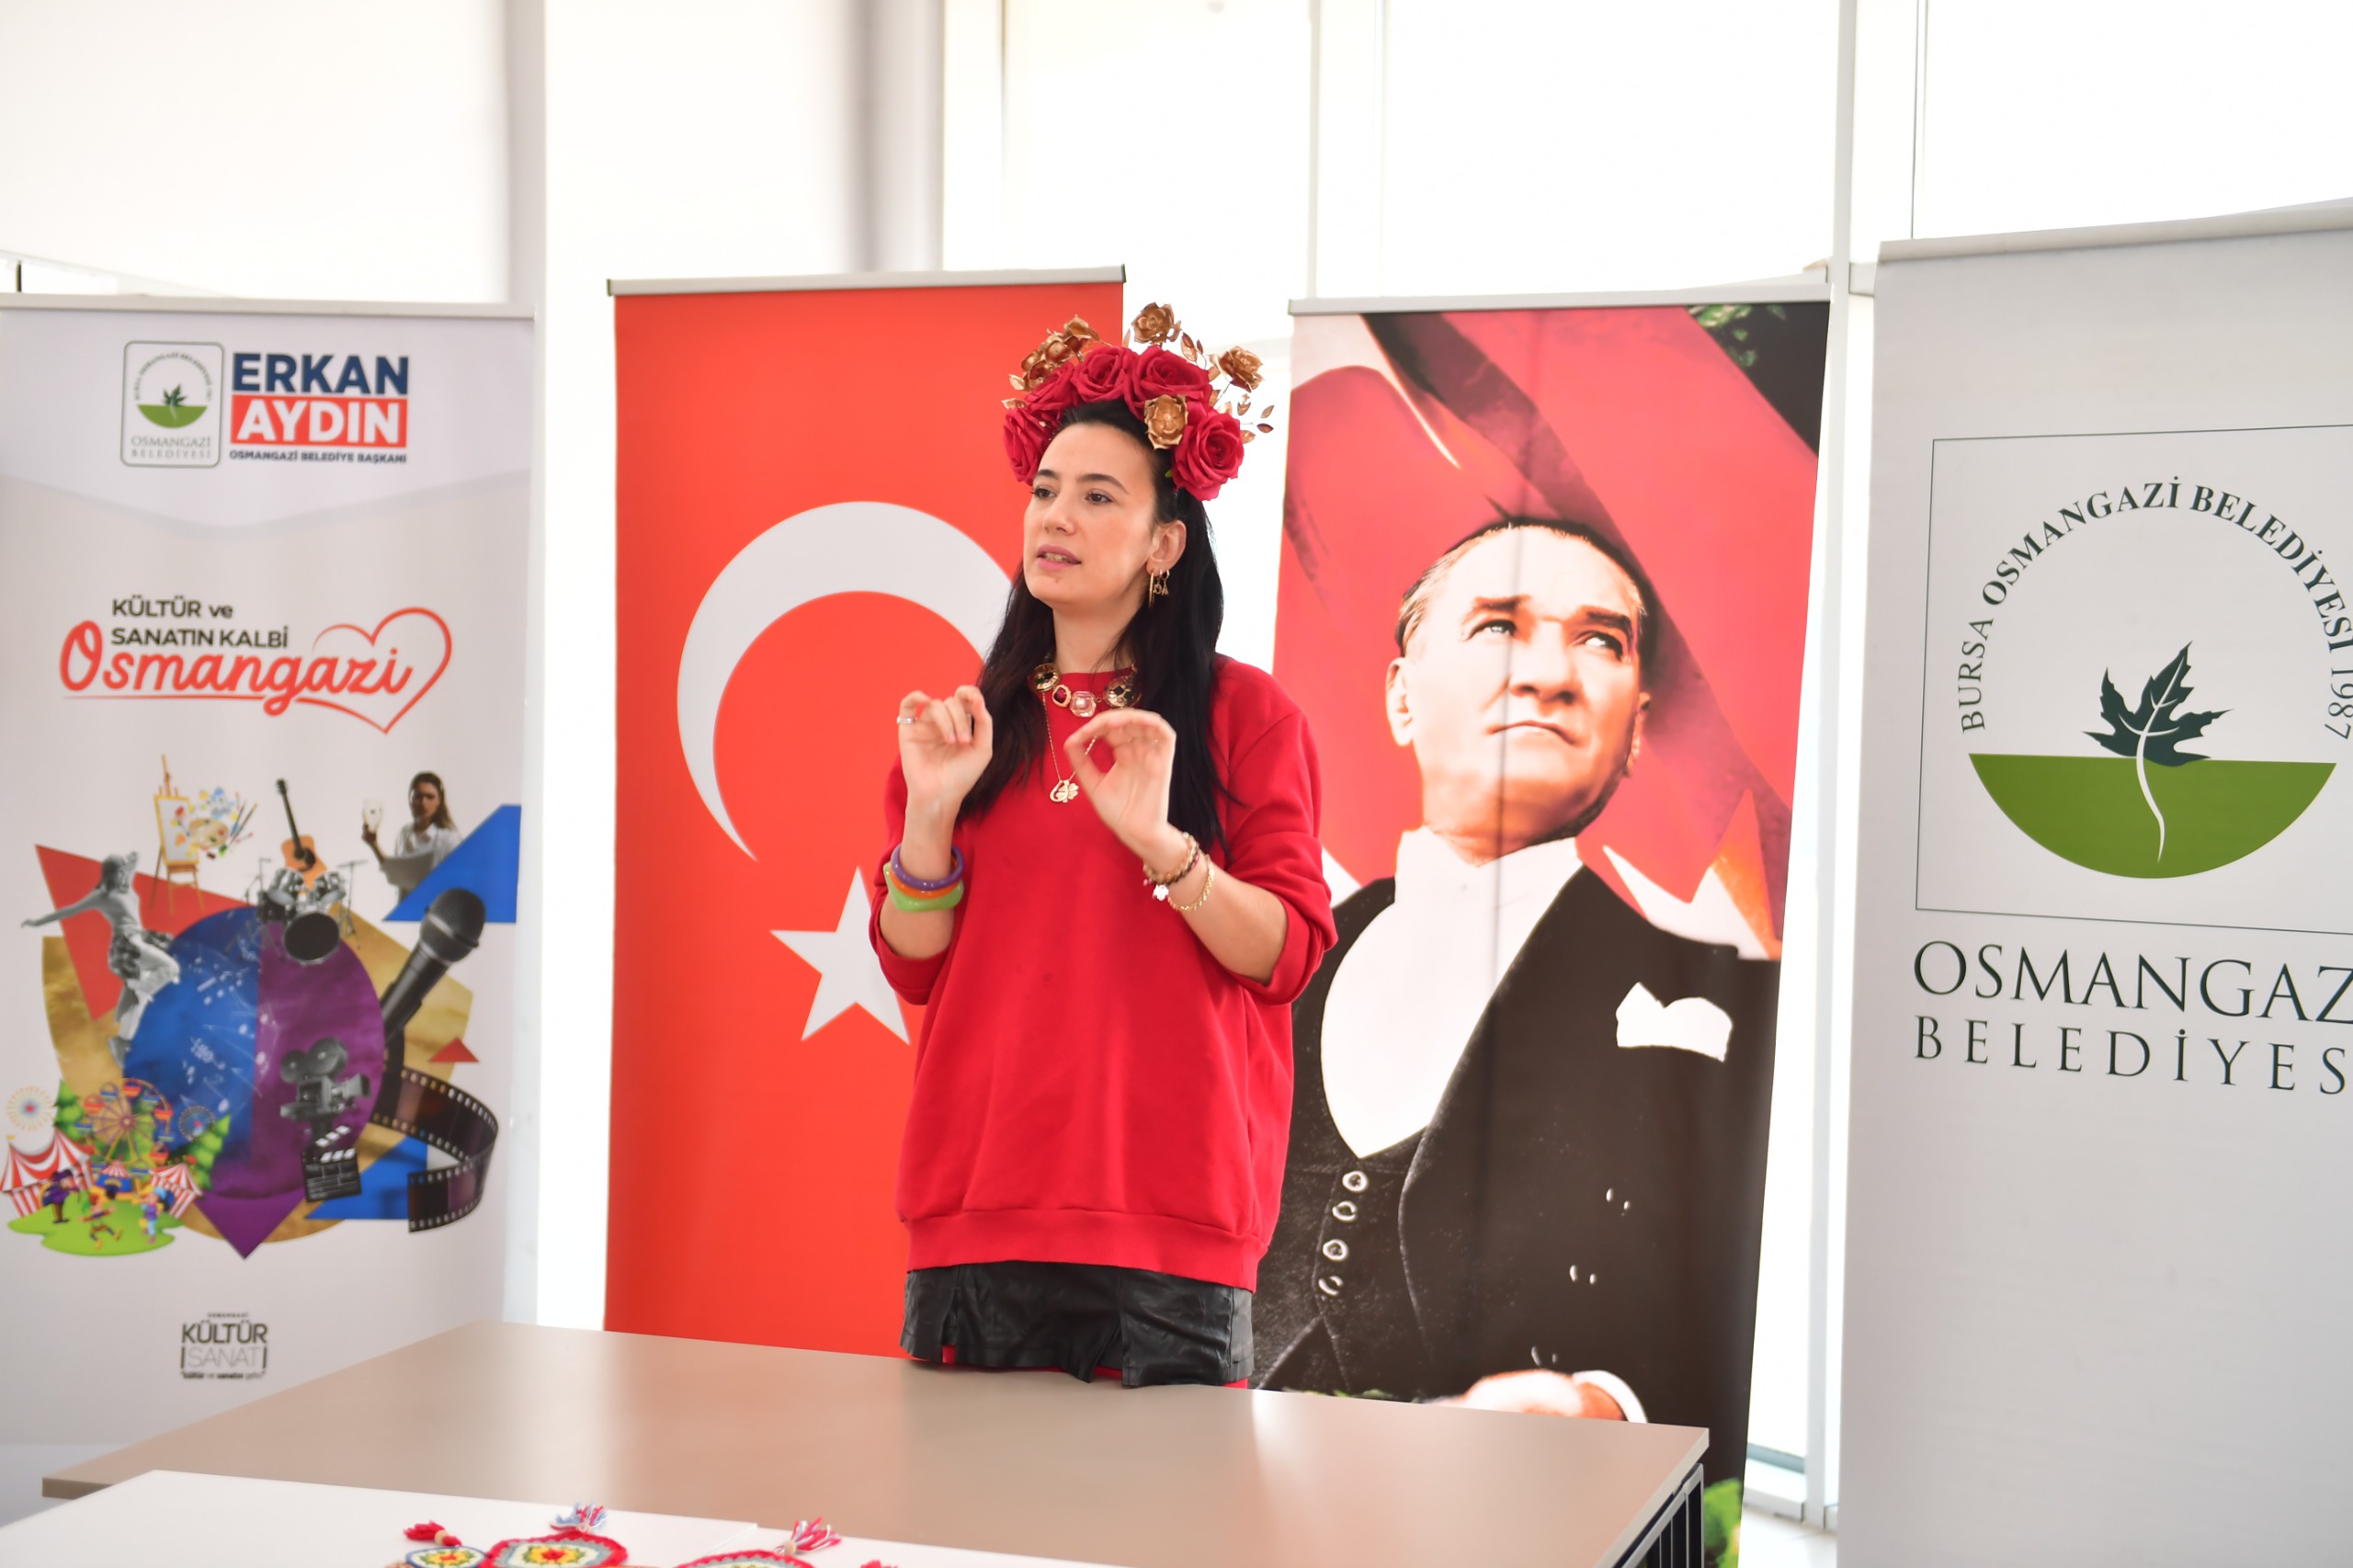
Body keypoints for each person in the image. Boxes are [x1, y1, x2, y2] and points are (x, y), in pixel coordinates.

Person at [1253, 518, 1779, 1506]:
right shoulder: (1271, 954)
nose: (1548, 674)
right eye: (1498, 625)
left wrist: (1602, 1408)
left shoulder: (1732, 1010)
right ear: (1401, 696)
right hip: (1227, 1489)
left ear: (1635, 731)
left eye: (1600, 640)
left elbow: (1724, 1308)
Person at [870, 308, 1336, 1388]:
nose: (1056, 516)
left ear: (1164, 543)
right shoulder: (966, 728)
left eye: (1097, 496)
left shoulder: (1243, 716)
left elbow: (1287, 954)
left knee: (1165, 1501)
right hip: (977, 1207)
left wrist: (1165, 846)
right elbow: (913, 962)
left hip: (1173, 1223)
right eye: (1045, 490)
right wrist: (930, 817)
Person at [23, 851, 182, 1063]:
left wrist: (131, 859)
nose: (123, 875)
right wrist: (36, 922)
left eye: (124, 872)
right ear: (110, 875)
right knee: (169, 968)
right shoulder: (102, 896)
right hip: (127, 945)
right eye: (119, 873)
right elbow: (68, 911)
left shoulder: (125, 883)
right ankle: (137, 989)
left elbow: (134, 861)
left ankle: (121, 1041)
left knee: (140, 1000)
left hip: (141, 939)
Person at [364, 771, 461, 898]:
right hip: (405, 905)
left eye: (430, 797)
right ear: (410, 800)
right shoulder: (403, 833)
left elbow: (456, 883)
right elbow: (395, 872)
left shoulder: (449, 840)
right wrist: (373, 844)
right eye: (418, 796)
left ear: (439, 801)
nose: (423, 802)